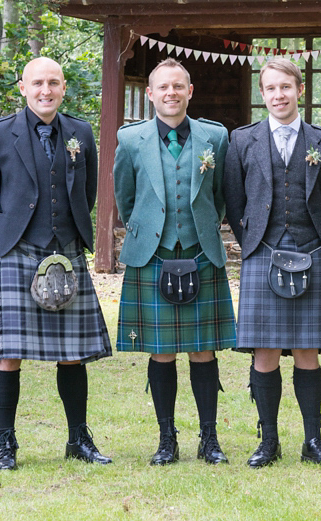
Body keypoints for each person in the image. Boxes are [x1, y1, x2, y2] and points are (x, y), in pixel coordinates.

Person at [0, 57, 113, 470]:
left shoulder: (80, 132)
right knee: (8, 353)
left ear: (63, 88)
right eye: (37, 83)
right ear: (23, 88)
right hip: (18, 253)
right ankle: (6, 444)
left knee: (72, 352)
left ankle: (77, 439)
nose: (45, 90)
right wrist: (6, 239)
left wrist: (69, 234)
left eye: (53, 83)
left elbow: (87, 193)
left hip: (65, 251)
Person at [223, 58, 321, 468]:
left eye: (286, 87)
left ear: (300, 90)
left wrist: (314, 238)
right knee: (266, 352)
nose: (279, 95)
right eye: (271, 88)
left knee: (308, 350)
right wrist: (256, 243)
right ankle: (268, 441)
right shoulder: (242, 141)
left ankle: (313, 440)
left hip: (312, 251)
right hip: (263, 252)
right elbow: (235, 201)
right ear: (263, 94)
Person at [113, 58, 236, 466]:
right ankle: (167, 439)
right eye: (163, 87)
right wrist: (150, 232)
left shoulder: (215, 137)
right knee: (161, 352)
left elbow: (220, 195)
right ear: (150, 94)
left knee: (203, 351)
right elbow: (125, 199)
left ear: (190, 91)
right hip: (153, 255)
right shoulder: (131, 140)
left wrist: (201, 228)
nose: (171, 93)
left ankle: (209, 439)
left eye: (178, 87)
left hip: (201, 253)